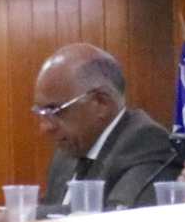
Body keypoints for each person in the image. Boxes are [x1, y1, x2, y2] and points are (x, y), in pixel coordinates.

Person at [33, 45, 177, 210]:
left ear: (100, 102)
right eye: (41, 113)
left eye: (56, 111)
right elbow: (47, 209)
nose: (46, 127)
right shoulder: (66, 155)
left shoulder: (146, 142)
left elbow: (118, 216)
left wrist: (25, 214)